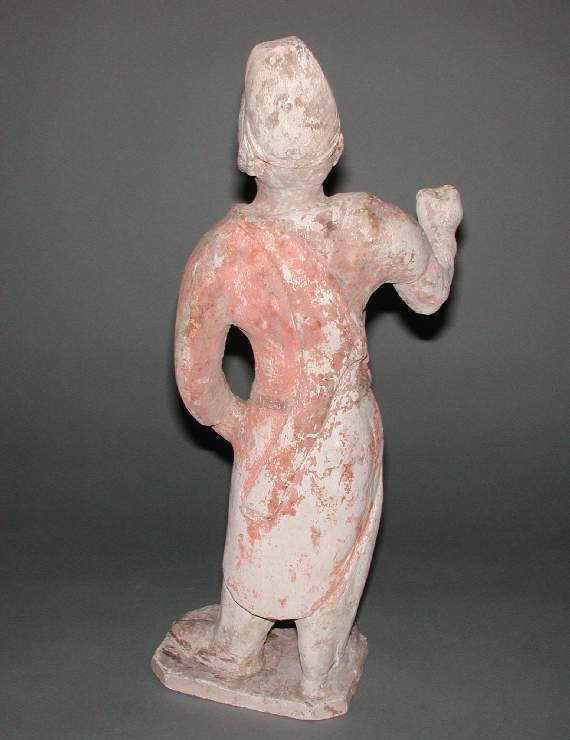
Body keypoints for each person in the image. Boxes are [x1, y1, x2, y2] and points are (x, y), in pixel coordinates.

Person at [172, 36, 463, 697]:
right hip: (346, 426)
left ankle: (236, 650)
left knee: (259, 539)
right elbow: (429, 294)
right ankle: (317, 668)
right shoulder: (368, 223)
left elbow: (198, 382)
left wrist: (247, 429)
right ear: (334, 141)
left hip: (274, 426)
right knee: (338, 537)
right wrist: (441, 230)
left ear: (248, 147)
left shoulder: (222, 254)